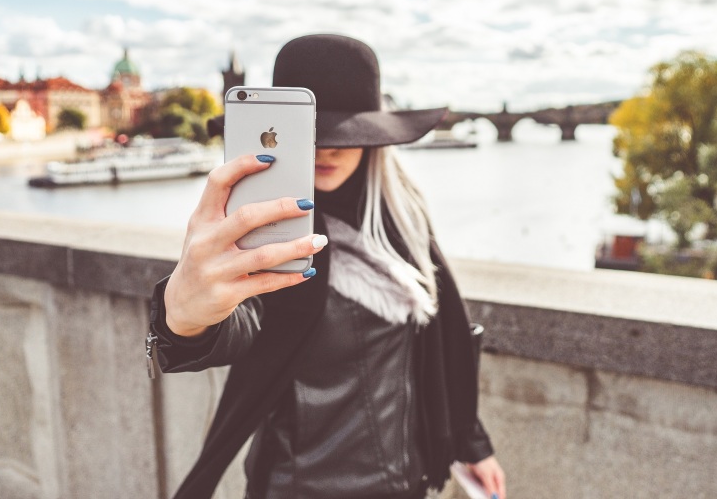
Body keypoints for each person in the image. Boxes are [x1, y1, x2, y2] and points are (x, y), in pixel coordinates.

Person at [149, 34, 506, 499]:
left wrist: (471, 443)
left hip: (410, 486)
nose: (328, 149)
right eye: (310, 134)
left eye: (349, 134)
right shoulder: (273, 238)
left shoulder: (401, 220)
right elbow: (238, 321)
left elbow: (443, 338)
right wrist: (183, 314)